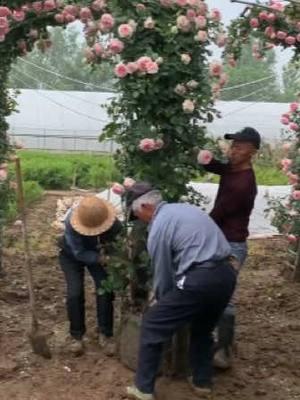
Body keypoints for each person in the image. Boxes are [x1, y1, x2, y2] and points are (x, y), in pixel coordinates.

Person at [126, 188, 237, 400]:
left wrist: (161, 300)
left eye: (137, 215)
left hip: (200, 278)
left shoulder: (158, 227)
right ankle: (201, 382)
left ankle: (143, 389)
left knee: (152, 323)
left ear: (145, 207)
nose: (139, 220)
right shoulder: (185, 210)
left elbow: (163, 273)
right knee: (203, 328)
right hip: (226, 275)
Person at [197, 127, 261, 369]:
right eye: (233, 146)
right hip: (222, 239)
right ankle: (218, 340)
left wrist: (196, 228)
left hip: (231, 245)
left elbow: (218, 214)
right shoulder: (234, 170)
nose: (233, 150)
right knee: (216, 292)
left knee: (226, 297)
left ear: (252, 152)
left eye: (240, 147)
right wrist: (205, 160)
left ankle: (223, 351)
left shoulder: (243, 184)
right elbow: (222, 169)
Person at [58, 195, 122, 355]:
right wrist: (101, 258)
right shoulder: (71, 223)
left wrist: (114, 258)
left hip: (99, 254)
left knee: (105, 288)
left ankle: (105, 333)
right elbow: (79, 253)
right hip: (71, 256)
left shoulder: (114, 224)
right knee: (75, 293)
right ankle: (77, 336)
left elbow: (117, 245)